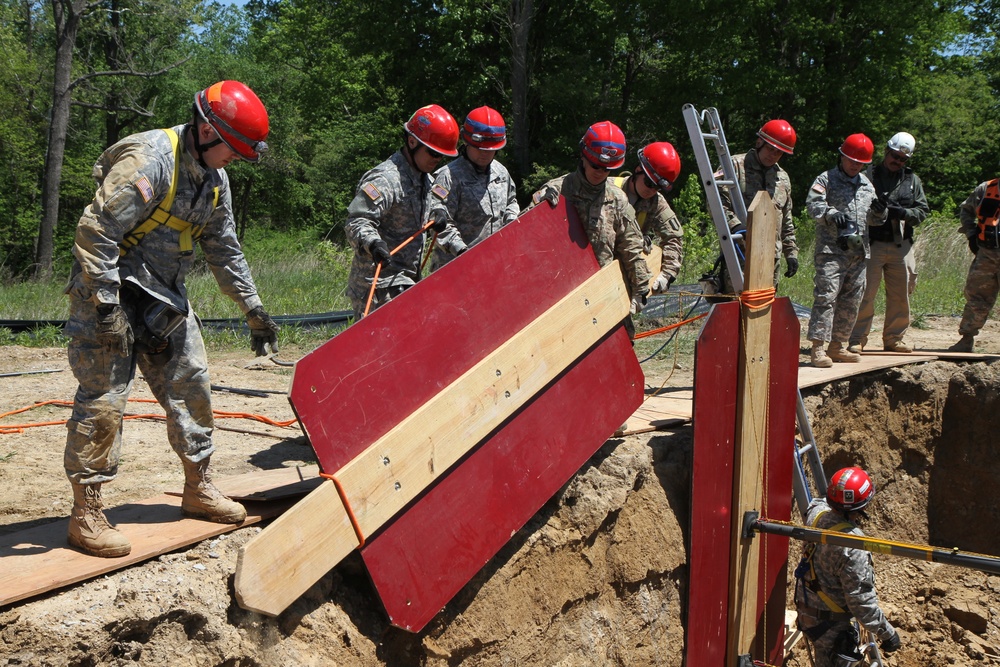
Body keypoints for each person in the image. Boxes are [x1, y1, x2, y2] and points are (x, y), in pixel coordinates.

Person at [62, 80, 280, 558]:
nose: (235, 159)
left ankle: (197, 487)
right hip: (107, 292)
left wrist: (253, 309)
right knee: (104, 400)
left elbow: (225, 250)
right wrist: (104, 305)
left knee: (192, 385)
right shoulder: (150, 160)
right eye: (233, 149)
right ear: (206, 129)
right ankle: (86, 514)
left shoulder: (215, 181)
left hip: (162, 298)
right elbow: (95, 229)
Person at [527, 120, 651, 332]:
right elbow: (522, 235)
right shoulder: (557, 190)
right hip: (558, 296)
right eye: (595, 165)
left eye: (607, 168)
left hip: (602, 296)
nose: (600, 172)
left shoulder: (618, 200)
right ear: (583, 156)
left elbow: (632, 247)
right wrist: (538, 212)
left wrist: (640, 289)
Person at [345, 104, 460, 319]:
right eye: (433, 152)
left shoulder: (426, 179)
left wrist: (437, 214)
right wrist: (373, 243)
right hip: (378, 287)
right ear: (412, 141)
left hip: (406, 282)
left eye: (442, 156)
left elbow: (432, 204)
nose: (437, 160)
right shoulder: (386, 179)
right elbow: (356, 221)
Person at [795, 467, 902, 665]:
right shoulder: (853, 547)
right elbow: (861, 605)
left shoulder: (816, 514)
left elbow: (818, 501)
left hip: (807, 613)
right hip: (830, 627)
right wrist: (888, 635)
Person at [804, 134, 882, 368]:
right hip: (831, 251)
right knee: (826, 297)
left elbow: (875, 220)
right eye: (851, 160)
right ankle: (818, 348)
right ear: (842, 156)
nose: (855, 165)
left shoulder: (867, 185)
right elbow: (813, 205)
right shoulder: (826, 179)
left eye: (860, 163)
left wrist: (880, 212)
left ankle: (838, 346)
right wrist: (830, 213)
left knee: (852, 300)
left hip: (858, 253)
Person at [849, 132, 930, 354]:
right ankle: (857, 338)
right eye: (895, 156)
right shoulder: (866, 175)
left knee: (900, 294)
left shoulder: (912, 181)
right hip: (871, 243)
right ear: (886, 151)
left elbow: (923, 211)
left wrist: (903, 212)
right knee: (865, 293)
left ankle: (894, 338)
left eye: (903, 159)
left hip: (900, 244)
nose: (898, 162)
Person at [427, 106, 519, 272]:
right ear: (466, 142)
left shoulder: (501, 173)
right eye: (479, 148)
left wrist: (512, 222)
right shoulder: (448, 177)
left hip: (494, 265)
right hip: (454, 268)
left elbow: (511, 200)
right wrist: (463, 251)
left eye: (490, 150)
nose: (484, 154)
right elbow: (439, 223)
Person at [717, 119, 800, 292]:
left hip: (771, 260)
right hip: (740, 256)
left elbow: (786, 220)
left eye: (779, 153)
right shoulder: (733, 167)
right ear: (759, 142)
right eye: (771, 149)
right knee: (735, 310)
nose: (773, 155)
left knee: (763, 311)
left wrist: (791, 253)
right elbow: (717, 204)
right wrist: (735, 226)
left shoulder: (782, 178)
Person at [612, 141, 684, 294]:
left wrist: (668, 274)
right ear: (638, 170)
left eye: (658, 187)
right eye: (649, 183)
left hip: (625, 280)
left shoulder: (655, 202)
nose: (651, 190)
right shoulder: (608, 190)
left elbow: (674, 237)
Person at [948, 177, 1000, 352]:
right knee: (976, 298)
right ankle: (966, 339)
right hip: (987, 254)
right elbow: (966, 210)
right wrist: (971, 234)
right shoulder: (986, 188)